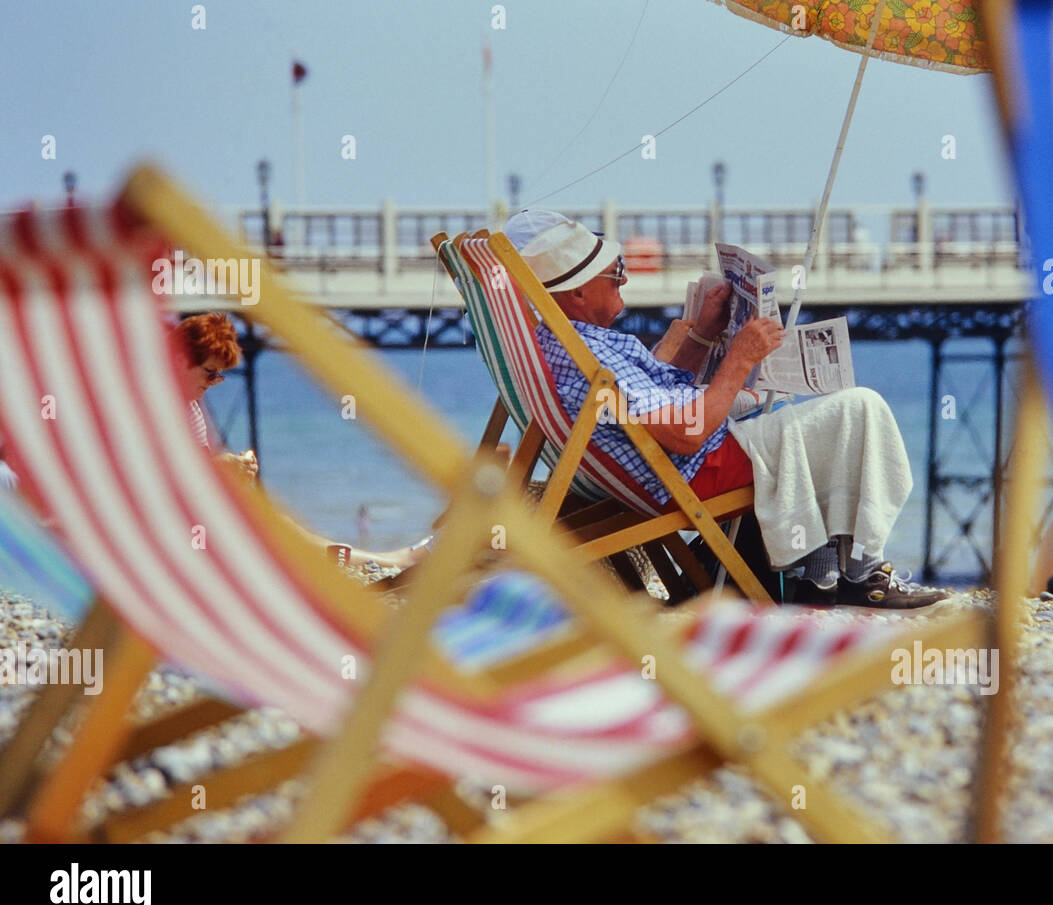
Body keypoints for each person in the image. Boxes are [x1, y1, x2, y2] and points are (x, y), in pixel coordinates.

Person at [504, 210, 947, 609]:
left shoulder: (564, 342)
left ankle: (817, 569)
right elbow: (687, 434)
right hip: (696, 468)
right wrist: (739, 358)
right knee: (860, 408)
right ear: (577, 294)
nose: (624, 279)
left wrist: (700, 336)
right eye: (614, 272)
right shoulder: (585, 352)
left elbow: (645, 398)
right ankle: (862, 570)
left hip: (664, 459)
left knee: (781, 406)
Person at [169, 313, 430, 571]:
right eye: (210, 373)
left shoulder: (190, 408)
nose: (213, 383)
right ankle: (386, 563)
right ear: (181, 359)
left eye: (219, 376)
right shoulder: (147, 405)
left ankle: (379, 563)